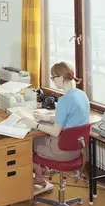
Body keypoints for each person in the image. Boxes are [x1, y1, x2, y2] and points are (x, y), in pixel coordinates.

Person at [19, 62, 90, 193]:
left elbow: (56, 132)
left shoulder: (64, 100)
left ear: (61, 78)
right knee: (40, 139)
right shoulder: (82, 95)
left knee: (27, 143)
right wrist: (46, 118)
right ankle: (44, 171)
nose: (52, 81)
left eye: (53, 78)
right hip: (77, 150)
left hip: (61, 151)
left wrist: (35, 124)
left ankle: (39, 176)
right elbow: (70, 117)